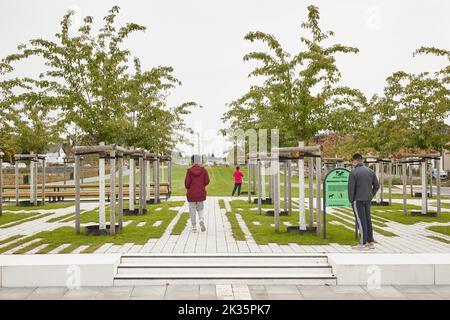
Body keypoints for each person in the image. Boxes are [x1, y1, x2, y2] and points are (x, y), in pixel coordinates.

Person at [348, 153, 380, 250]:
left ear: (355, 161)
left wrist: (351, 200)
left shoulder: (353, 172)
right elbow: (377, 186)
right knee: (367, 220)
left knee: (361, 221)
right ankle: (370, 242)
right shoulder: (370, 171)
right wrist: (371, 195)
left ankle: (363, 243)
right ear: (361, 160)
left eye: (352, 161)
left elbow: (351, 188)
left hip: (358, 200)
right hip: (367, 199)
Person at [185, 155, 210, 233]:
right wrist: (201, 185)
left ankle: (194, 227)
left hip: (191, 193)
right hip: (200, 192)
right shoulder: (204, 170)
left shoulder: (189, 170)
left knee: (192, 210)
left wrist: (189, 187)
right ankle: (201, 219)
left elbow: (187, 183)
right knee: (200, 208)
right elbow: (207, 181)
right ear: (199, 161)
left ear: (192, 161)